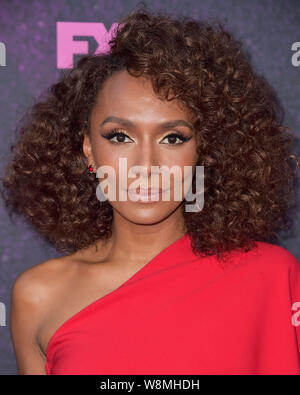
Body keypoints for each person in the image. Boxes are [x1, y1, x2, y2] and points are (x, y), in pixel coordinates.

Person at [1, 6, 300, 375]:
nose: (146, 165)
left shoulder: (272, 277)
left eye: (172, 137)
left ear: (203, 149)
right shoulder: (38, 295)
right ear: (89, 149)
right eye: (120, 136)